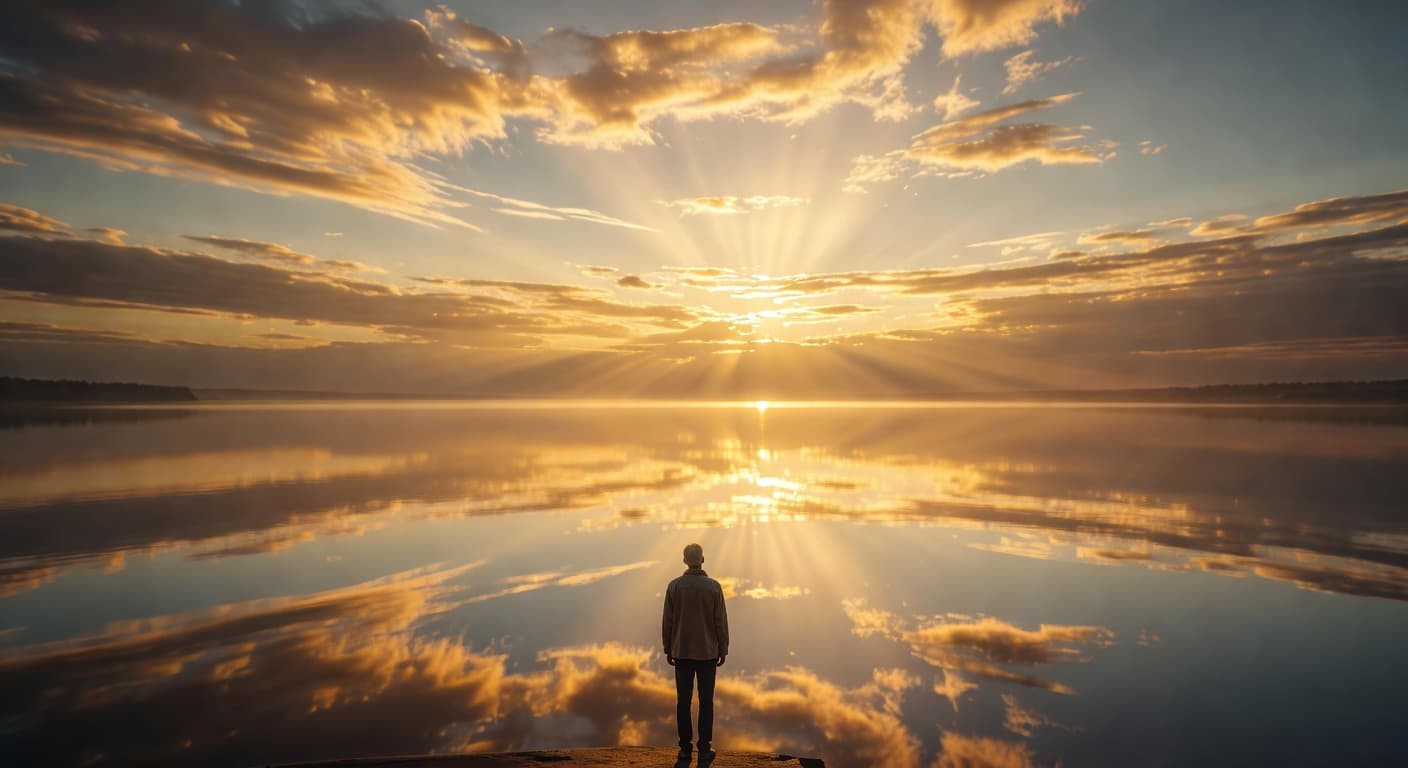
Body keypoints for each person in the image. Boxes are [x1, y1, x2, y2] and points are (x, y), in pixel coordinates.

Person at [662, 542, 729, 758]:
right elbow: (720, 621)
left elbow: (668, 622)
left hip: (681, 651)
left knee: (683, 701)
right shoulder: (714, 587)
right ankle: (705, 746)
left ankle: (684, 747)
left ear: (684, 561)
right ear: (702, 559)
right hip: (707, 652)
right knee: (706, 700)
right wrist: (723, 647)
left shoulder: (674, 586)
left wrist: (667, 647)